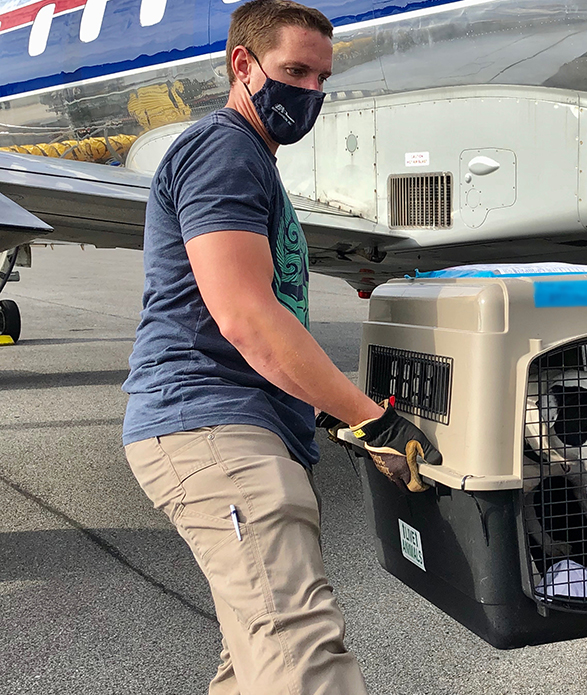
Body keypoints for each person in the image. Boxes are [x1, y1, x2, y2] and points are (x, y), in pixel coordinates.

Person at [121, 1, 439, 692]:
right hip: (214, 428)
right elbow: (245, 315)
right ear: (244, 64)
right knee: (303, 662)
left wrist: (323, 408)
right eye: (295, 71)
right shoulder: (224, 148)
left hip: (232, 426)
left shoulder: (251, 161)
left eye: (322, 78)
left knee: (253, 665)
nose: (310, 94)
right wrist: (372, 418)